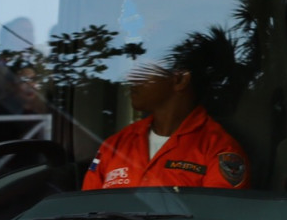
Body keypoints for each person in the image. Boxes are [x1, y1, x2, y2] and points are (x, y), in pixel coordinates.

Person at [83, 56, 250, 190]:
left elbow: (217, 217)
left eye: (143, 68)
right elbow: (87, 210)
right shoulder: (113, 146)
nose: (130, 77)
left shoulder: (219, 149)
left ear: (179, 80)